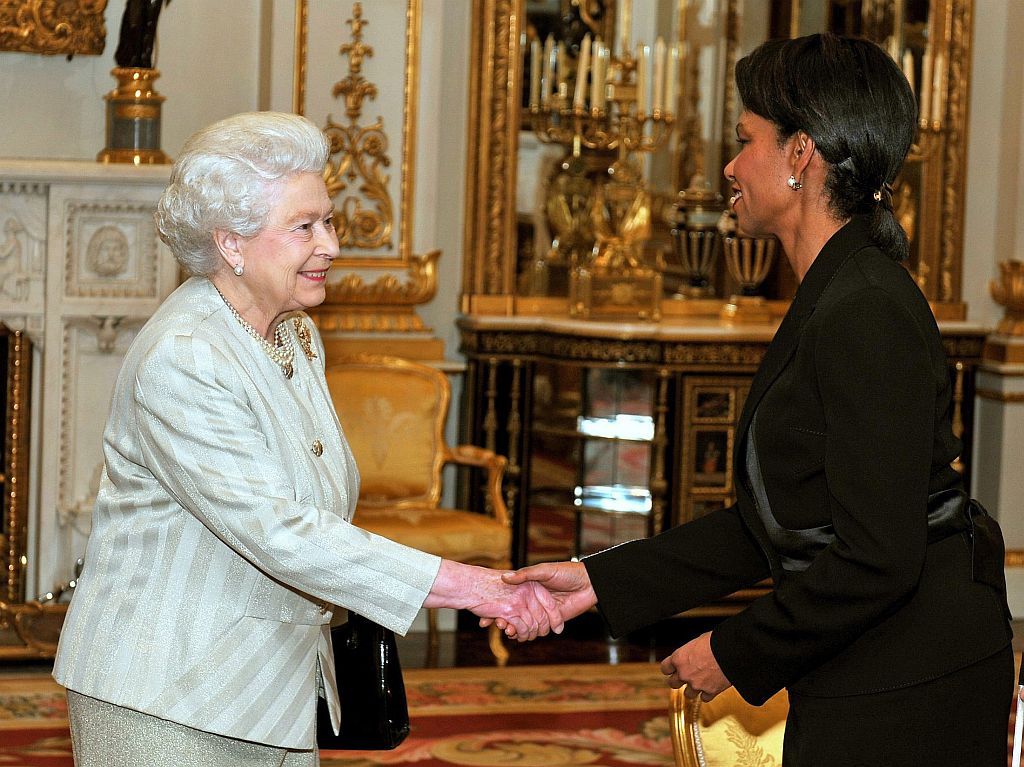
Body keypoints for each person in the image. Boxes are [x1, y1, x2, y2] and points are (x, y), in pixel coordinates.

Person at [502, 34, 1013, 767]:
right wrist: (592, 580)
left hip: (912, 682)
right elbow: (773, 526)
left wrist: (736, 650)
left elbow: (879, 558)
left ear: (801, 154)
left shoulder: (867, 307)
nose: (731, 168)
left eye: (746, 142)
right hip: (871, 663)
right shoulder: (839, 291)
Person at [52, 111, 561, 767]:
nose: (331, 244)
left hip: (276, 686)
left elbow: (318, 505)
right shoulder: (184, 358)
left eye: (328, 220)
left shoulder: (295, 336)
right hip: (168, 690)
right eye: (304, 227)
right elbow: (280, 531)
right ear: (231, 242)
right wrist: (474, 587)